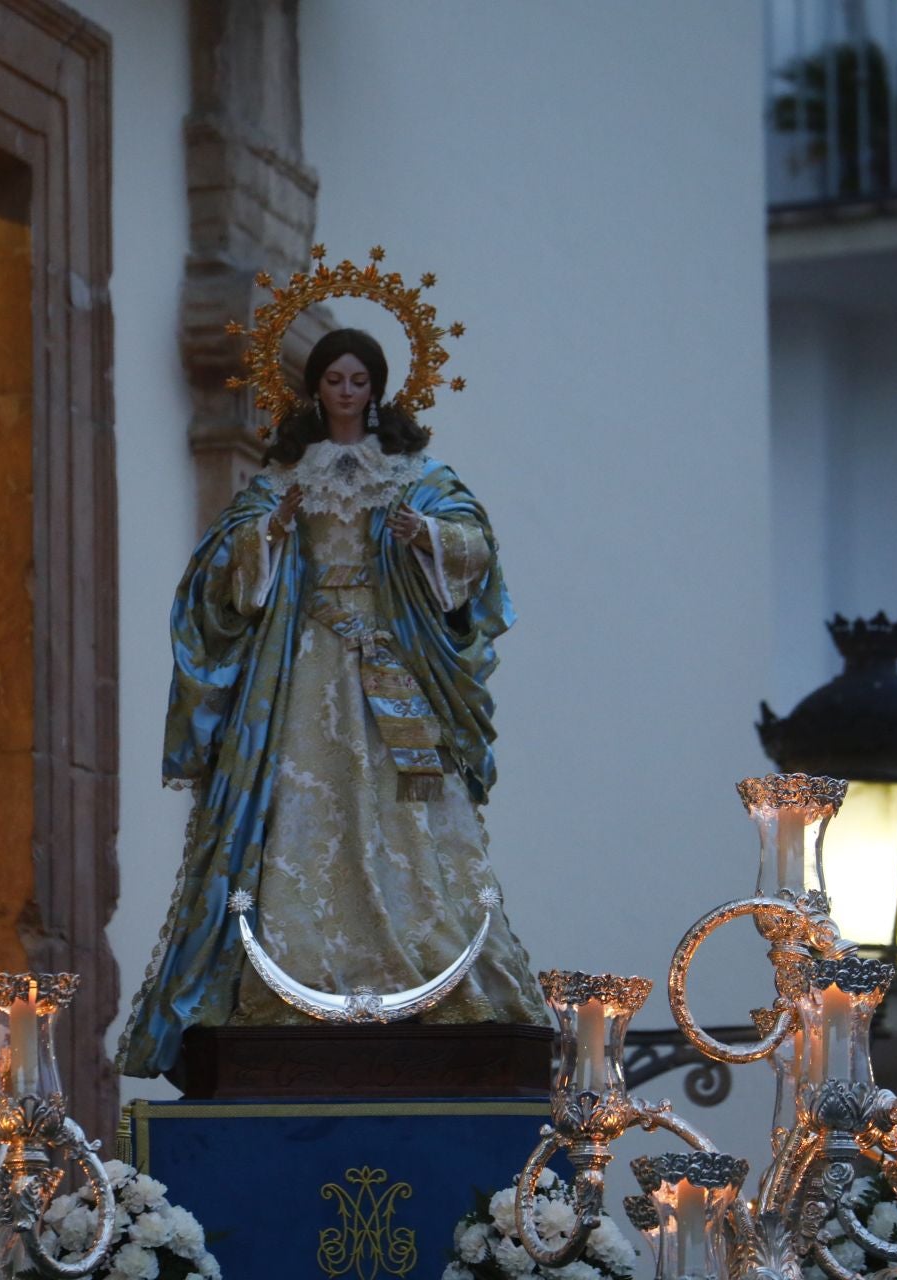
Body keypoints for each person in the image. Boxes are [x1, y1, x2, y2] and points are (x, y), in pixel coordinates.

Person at [116, 328, 545, 1080]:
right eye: (334, 380)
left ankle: (422, 960)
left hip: (387, 659)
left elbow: (477, 547)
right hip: (306, 665)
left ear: (376, 388)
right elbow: (220, 567)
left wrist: (427, 537)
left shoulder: (413, 474)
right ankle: (297, 961)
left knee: (404, 812)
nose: (346, 392)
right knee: (301, 808)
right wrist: (269, 536)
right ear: (314, 390)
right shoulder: (283, 476)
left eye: (358, 380)